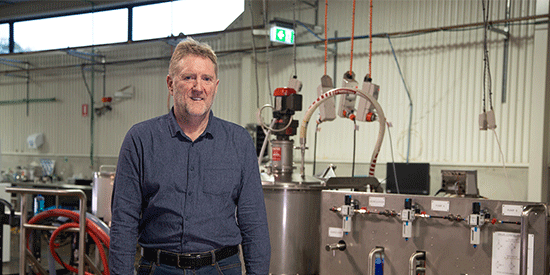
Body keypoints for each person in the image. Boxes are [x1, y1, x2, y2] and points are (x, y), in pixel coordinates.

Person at [109, 37, 271, 275]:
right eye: (188, 77)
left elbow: (253, 222)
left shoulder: (239, 141)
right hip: (159, 268)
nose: (198, 87)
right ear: (171, 83)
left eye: (206, 78)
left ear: (215, 85)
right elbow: (124, 222)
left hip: (222, 268)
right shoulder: (141, 139)